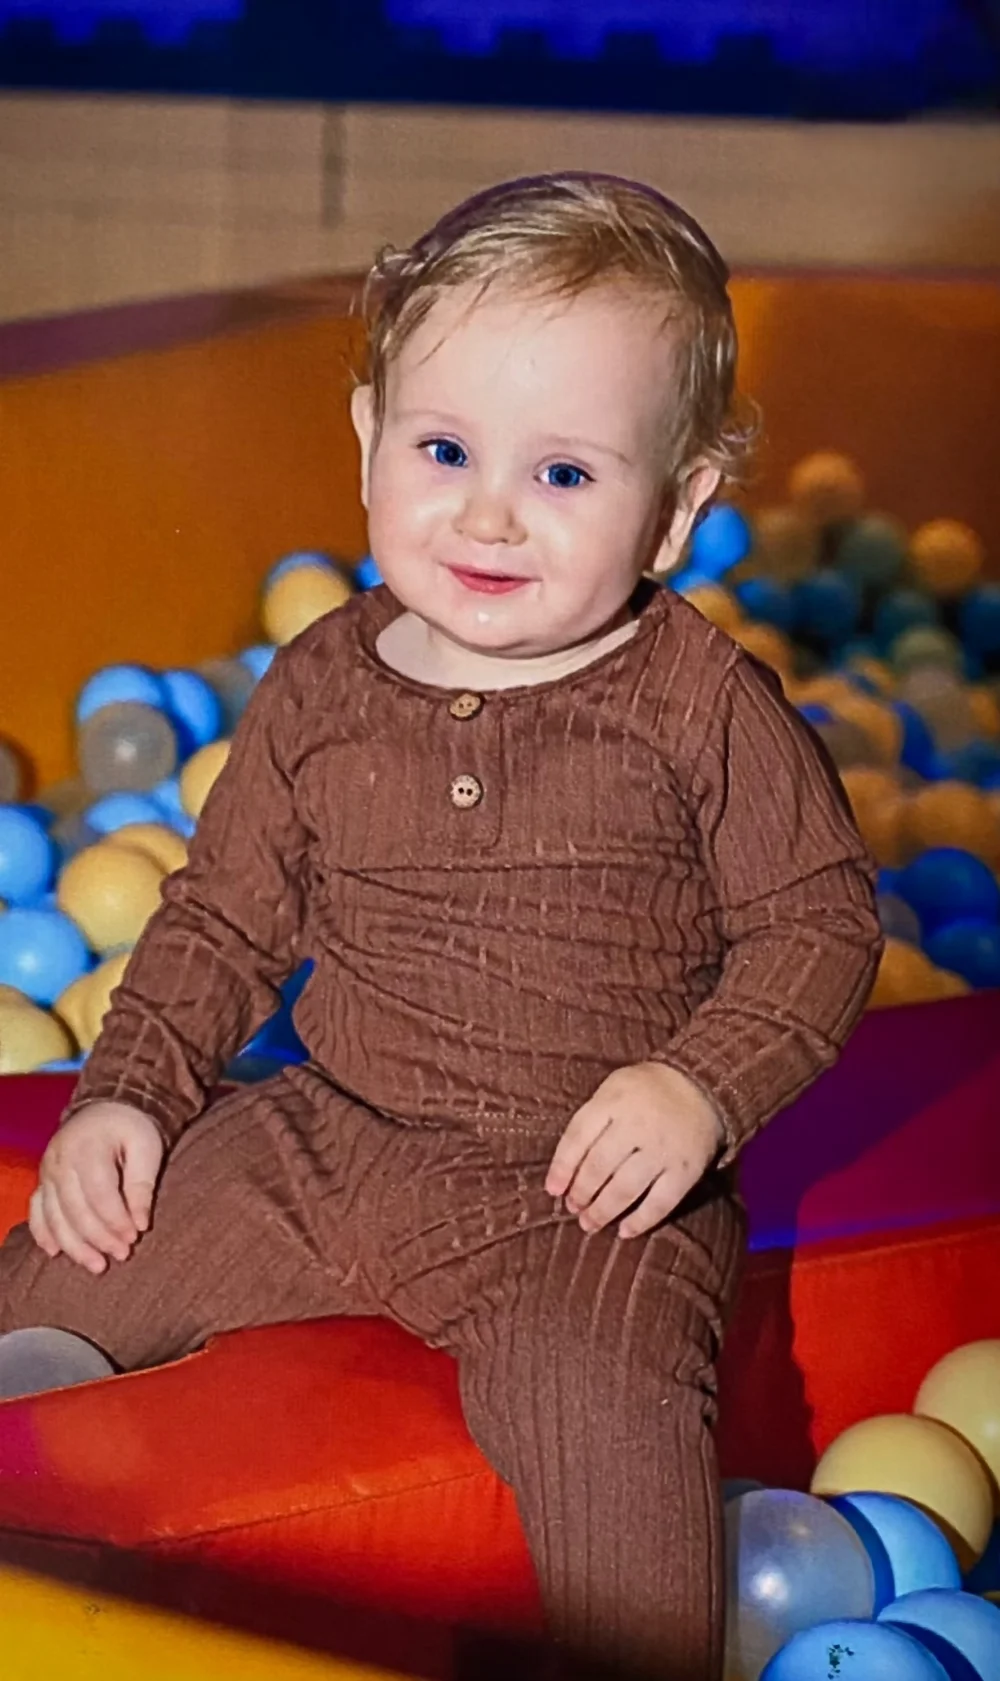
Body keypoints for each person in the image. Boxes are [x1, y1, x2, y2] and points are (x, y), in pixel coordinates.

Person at [0, 173, 882, 1679]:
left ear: (677, 513)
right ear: (368, 440)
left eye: (564, 474)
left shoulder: (697, 706)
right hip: (329, 1136)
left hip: (580, 1192)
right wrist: (127, 1094)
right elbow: (219, 919)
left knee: (611, 1427)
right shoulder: (322, 684)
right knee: (70, 1259)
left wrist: (697, 1087)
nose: (487, 512)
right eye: (445, 449)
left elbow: (820, 926)